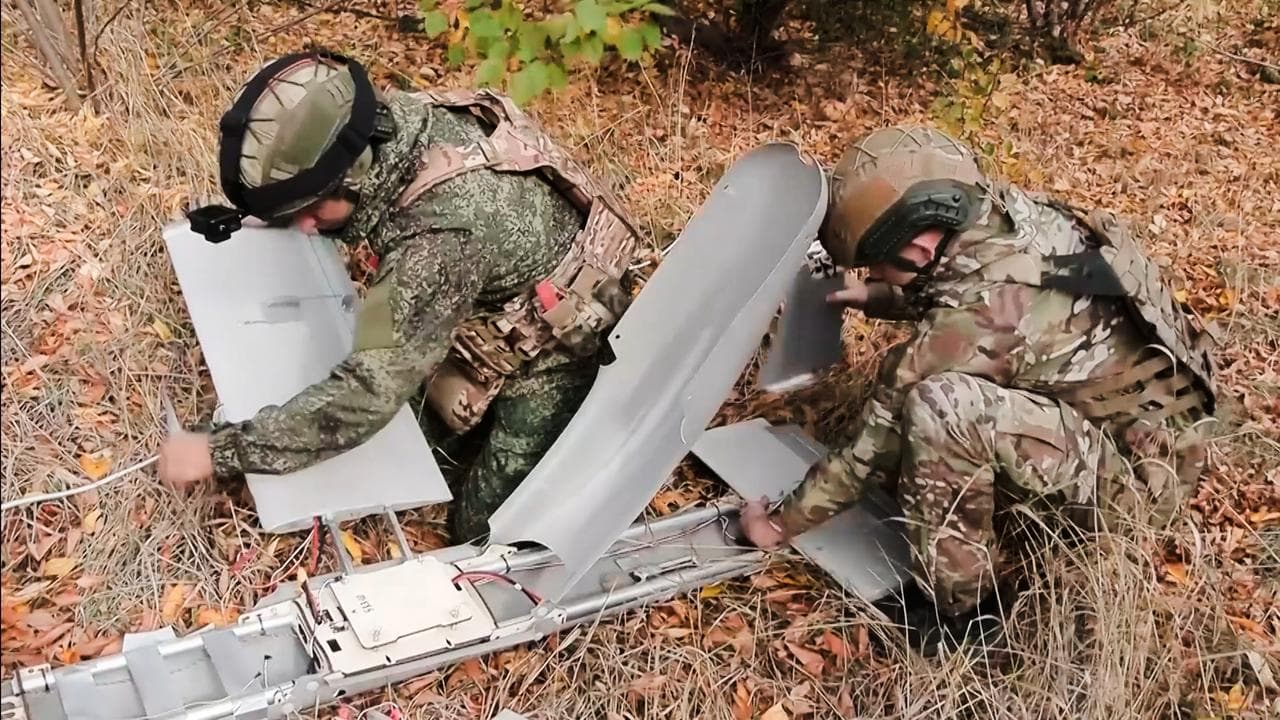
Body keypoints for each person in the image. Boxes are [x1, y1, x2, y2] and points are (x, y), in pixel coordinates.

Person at [740, 125, 1217, 650]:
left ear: (920, 246)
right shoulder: (1009, 218)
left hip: (1139, 485)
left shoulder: (980, 310)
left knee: (941, 408)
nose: (872, 271)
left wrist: (778, 526)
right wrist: (876, 295)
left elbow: (869, 451)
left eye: (875, 263)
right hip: (1159, 434)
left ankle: (966, 613)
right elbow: (976, 290)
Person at [159, 51, 641, 541]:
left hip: (561, 344)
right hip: (489, 290)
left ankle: (575, 441)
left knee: (483, 530)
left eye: (310, 210)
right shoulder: (389, 125)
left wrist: (216, 452)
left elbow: (365, 396)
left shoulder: (439, 239)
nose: (303, 227)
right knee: (401, 445)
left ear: (352, 177)